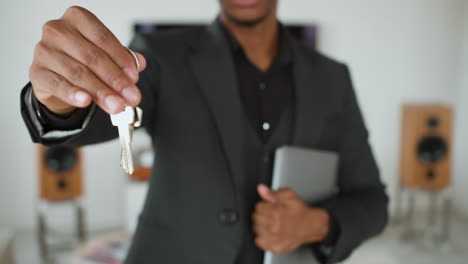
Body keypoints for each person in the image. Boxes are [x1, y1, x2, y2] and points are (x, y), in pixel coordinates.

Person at [20, 0, 388, 263]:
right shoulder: (159, 54)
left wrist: (317, 224)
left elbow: (372, 200)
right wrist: (59, 101)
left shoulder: (331, 77)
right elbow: (101, 112)